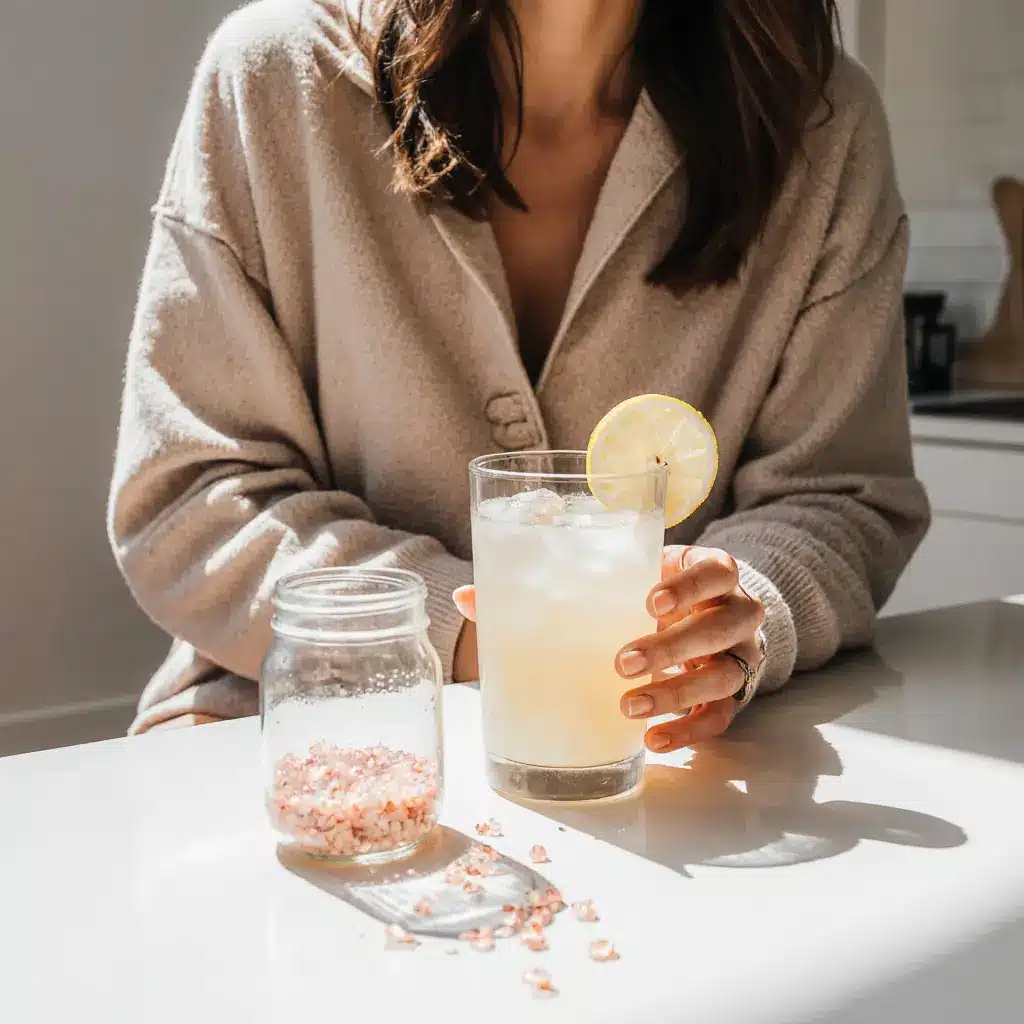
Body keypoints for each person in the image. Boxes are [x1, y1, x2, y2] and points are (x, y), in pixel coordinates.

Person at [108, 0, 929, 748]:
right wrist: (475, 632)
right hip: (286, 744)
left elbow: (840, 498)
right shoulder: (274, 76)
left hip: (651, 765)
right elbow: (192, 501)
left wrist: (734, 619)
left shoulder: (818, 123)